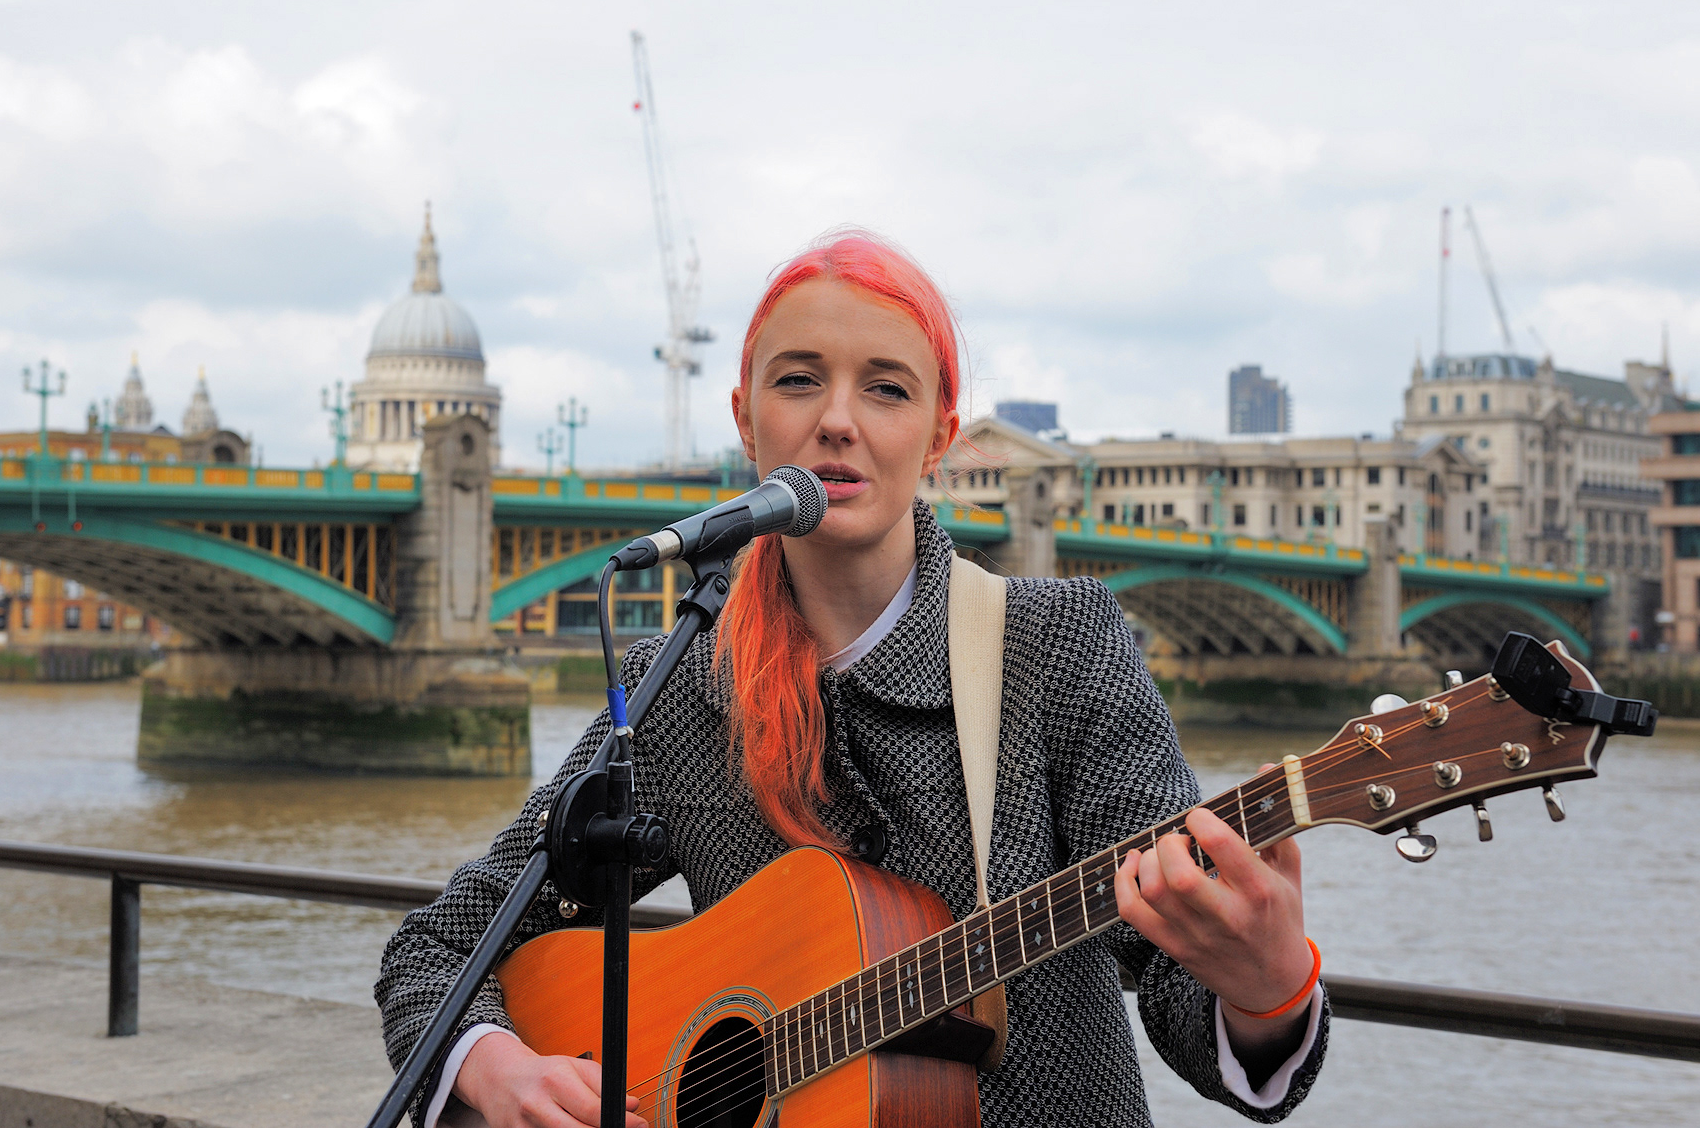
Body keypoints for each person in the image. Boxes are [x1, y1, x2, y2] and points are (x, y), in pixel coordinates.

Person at [376, 230, 1328, 1128]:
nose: (837, 421)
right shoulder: (678, 693)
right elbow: (438, 950)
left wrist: (1267, 986)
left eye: (886, 390)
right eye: (799, 382)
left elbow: (1177, 983)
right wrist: (497, 1070)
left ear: (939, 432)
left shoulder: (1058, 647)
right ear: (747, 418)